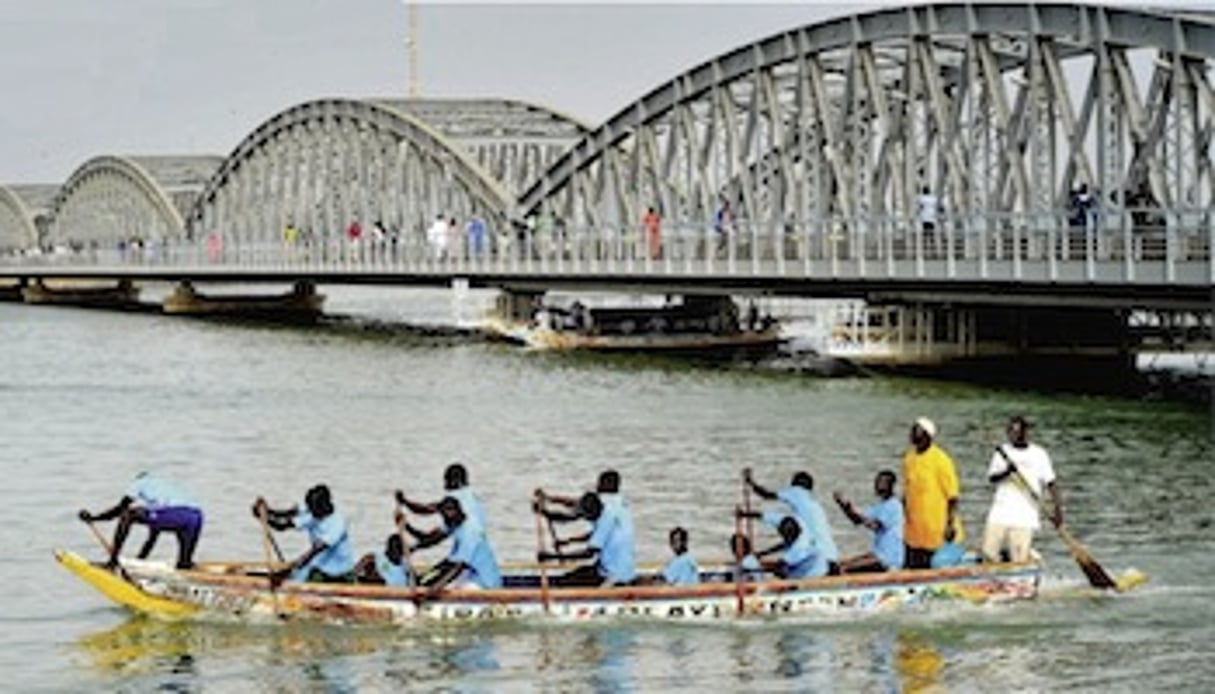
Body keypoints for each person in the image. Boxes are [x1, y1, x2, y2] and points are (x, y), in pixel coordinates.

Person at [78, 471, 204, 571]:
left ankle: (112, 561)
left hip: (175, 513)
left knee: (128, 514)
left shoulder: (140, 482)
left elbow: (120, 509)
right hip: (196, 516)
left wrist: (94, 518)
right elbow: (151, 540)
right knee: (183, 565)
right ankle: (185, 565)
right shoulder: (165, 491)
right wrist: (139, 564)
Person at [982, 416, 1061, 564]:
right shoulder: (1002, 452)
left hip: (1025, 515)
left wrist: (1057, 510)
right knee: (988, 552)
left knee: (1018, 559)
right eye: (1010, 432)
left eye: (1016, 432)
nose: (1012, 435)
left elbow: (1051, 483)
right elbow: (992, 478)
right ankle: (993, 578)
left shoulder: (1039, 454)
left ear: (1025, 433)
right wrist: (1007, 472)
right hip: (1000, 511)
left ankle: (1029, 558)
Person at [536, 470, 636, 586]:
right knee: (570, 577)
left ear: (604, 485)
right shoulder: (618, 503)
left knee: (564, 583)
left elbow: (588, 553)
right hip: (617, 569)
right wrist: (550, 499)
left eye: (598, 483)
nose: (596, 486)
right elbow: (578, 505)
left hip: (612, 577)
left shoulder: (606, 512)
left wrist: (552, 556)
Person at [743, 467, 840, 575]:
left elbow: (766, 495)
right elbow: (766, 516)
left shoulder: (797, 492)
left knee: (785, 568)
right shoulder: (813, 507)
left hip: (816, 556)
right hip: (832, 555)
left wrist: (750, 481)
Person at [254, 484, 355, 584]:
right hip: (317, 565)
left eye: (313, 510)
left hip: (337, 573)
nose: (310, 512)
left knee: (298, 579)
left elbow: (312, 553)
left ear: (323, 506)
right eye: (310, 508)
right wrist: (266, 513)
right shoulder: (313, 511)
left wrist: (288, 571)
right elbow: (285, 522)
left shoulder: (336, 525)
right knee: (296, 577)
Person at [902, 418, 964, 569]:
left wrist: (949, 524)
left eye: (916, 430)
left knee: (935, 565)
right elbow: (907, 490)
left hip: (937, 529)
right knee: (912, 566)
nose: (911, 434)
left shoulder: (941, 460)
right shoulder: (909, 458)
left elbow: (953, 496)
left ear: (927, 435)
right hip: (914, 530)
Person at [406, 496, 501, 591]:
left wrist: (431, 591)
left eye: (445, 516)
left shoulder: (470, 532)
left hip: (483, 582)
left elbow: (458, 567)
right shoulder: (455, 522)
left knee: (440, 584)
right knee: (425, 579)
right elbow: (430, 539)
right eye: (442, 516)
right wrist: (407, 527)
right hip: (466, 571)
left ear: (457, 512)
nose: (444, 520)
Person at [833, 470, 905, 573]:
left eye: (880, 482)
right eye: (876, 482)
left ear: (890, 486)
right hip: (878, 555)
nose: (876, 485)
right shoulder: (880, 506)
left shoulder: (894, 505)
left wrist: (852, 509)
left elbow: (874, 526)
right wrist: (844, 505)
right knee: (839, 564)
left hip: (888, 559)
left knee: (843, 569)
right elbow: (857, 520)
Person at [396, 463, 488, 537]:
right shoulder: (473, 497)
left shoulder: (453, 499)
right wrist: (406, 526)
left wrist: (404, 501)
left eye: (446, 480)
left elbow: (424, 510)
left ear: (453, 481)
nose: (444, 485)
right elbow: (427, 538)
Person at [750, 515, 821, 579]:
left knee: (782, 574)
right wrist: (746, 514)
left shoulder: (799, 548)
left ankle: (791, 585)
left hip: (810, 565)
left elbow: (781, 564)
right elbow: (762, 515)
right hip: (803, 554)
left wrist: (755, 568)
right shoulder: (787, 520)